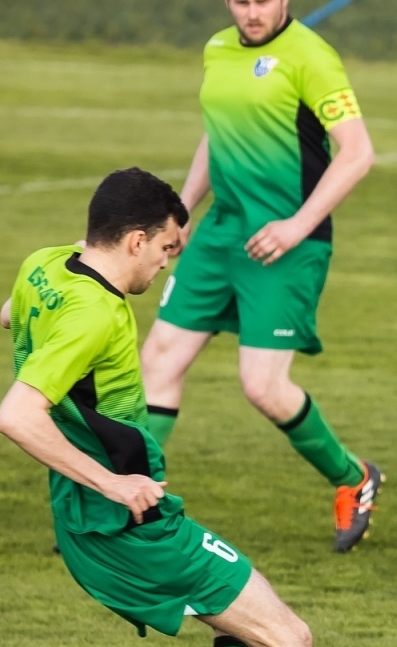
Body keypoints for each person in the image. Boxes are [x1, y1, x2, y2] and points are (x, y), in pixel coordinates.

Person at [0, 167, 389, 647]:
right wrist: (117, 485)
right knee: (289, 636)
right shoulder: (94, 315)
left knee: (234, 620)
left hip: (86, 518)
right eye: (167, 249)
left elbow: (10, 313)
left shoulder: (44, 266)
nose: (169, 263)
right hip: (127, 525)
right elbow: (16, 415)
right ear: (135, 240)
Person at [141, 0, 383, 553]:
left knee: (263, 386)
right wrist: (182, 211)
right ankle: (134, 500)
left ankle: (354, 478)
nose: (252, 12)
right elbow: (217, 134)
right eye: (241, 1)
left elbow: (358, 152)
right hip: (220, 234)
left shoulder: (311, 56)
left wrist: (297, 225)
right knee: (159, 359)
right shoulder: (218, 49)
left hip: (285, 242)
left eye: (263, 0)